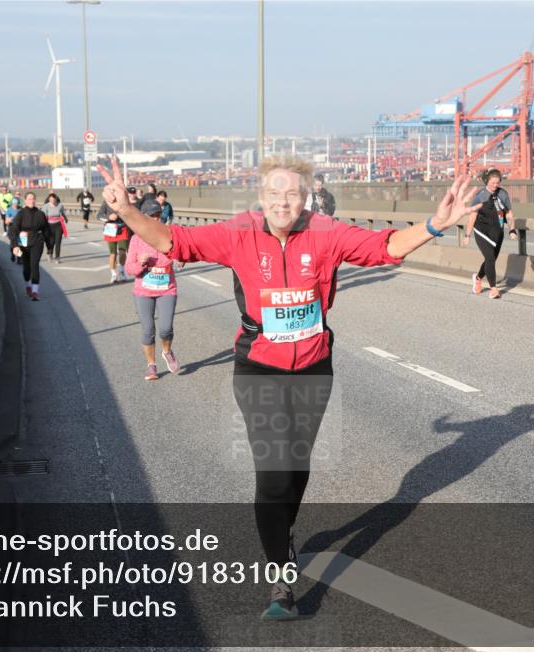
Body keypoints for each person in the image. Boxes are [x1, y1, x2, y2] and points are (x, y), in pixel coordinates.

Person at [97, 154, 481, 620]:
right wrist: (126, 211)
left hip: (315, 366)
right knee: (274, 472)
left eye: (293, 194)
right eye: (275, 193)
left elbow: (386, 247)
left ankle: (284, 531)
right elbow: (174, 241)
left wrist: (435, 224)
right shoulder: (239, 231)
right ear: (262, 198)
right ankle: (281, 577)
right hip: (259, 366)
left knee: (297, 467)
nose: (284, 202)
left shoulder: (326, 232)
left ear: (307, 198)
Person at [124, 199, 181, 381]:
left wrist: (182, 259)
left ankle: (167, 351)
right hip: (143, 291)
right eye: (152, 216)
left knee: (166, 329)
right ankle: (151, 366)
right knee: (148, 330)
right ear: (144, 218)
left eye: (158, 215)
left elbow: (182, 253)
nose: (156, 219)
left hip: (167, 289)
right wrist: (140, 262)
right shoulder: (136, 240)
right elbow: (129, 269)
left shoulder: (169, 235)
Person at [465, 168, 514, 299]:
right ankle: (494, 289)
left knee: (490, 260)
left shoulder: (503, 194)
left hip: (497, 232)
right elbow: (472, 215)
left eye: (497, 183)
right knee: (491, 259)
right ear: (487, 181)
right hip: (481, 231)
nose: (495, 185)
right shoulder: (480, 195)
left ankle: (478, 277)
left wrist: (512, 229)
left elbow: (508, 213)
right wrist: (467, 235)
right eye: (493, 183)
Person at [9, 192, 51, 301]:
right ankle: (28, 285)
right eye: (29, 199)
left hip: (37, 242)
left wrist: (49, 245)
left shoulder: (40, 214)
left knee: (35, 266)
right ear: (25, 201)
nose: (31, 201)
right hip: (24, 243)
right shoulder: (21, 214)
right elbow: (13, 229)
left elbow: (46, 230)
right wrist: (14, 245)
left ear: (35, 200)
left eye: (33, 199)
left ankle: (35, 292)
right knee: (26, 269)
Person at [98, 186, 135, 283]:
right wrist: (108, 217)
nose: (112, 193)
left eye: (114, 191)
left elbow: (129, 214)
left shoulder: (122, 202)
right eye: (110, 191)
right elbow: (99, 216)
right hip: (110, 229)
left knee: (122, 252)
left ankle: (122, 272)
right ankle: (113, 274)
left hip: (122, 228)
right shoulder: (106, 202)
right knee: (113, 254)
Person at [42, 193, 69, 263]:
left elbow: (62, 213)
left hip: (58, 225)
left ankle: (57, 258)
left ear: (56, 199)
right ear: (49, 199)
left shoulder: (59, 205)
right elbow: (43, 217)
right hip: (49, 226)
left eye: (54, 200)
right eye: (51, 200)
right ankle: (50, 253)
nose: (52, 201)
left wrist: (65, 218)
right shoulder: (46, 206)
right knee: (51, 242)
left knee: (58, 242)